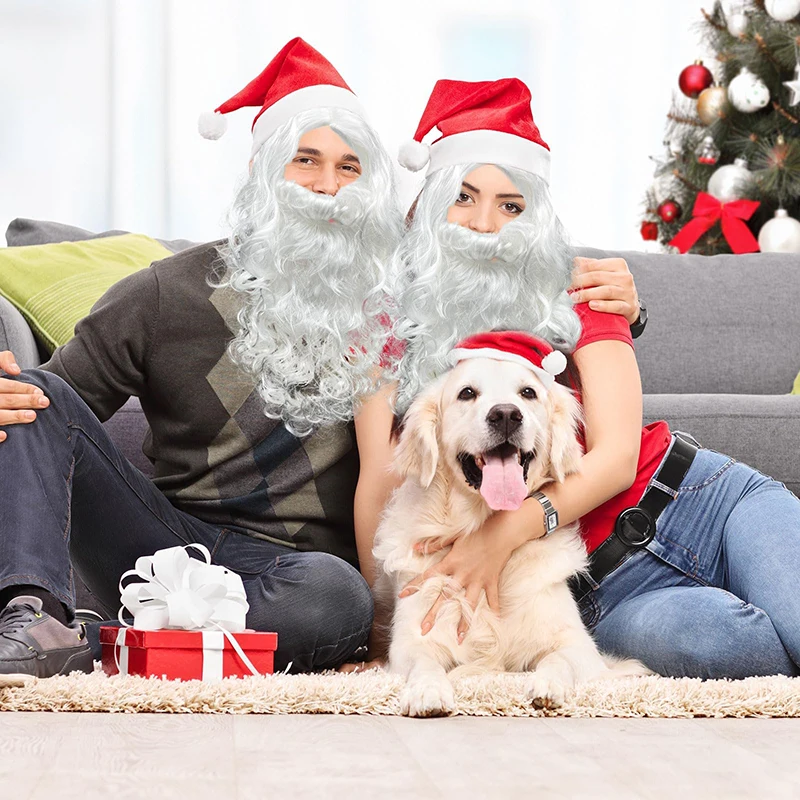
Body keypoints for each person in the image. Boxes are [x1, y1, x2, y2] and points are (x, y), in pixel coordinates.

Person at [357, 77, 800, 680]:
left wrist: (499, 537)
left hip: (702, 501)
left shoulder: (580, 289)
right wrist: (382, 636)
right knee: (719, 647)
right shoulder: (388, 326)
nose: (486, 224)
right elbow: (379, 484)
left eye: (511, 205)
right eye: (463, 197)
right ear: (430, 205)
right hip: (601, 585)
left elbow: (617, 457)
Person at [0, 38, 401, 677]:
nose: (328, 186)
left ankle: (121, 641)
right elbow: (55, 414)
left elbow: (510, 331)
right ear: (262, 173)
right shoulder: (165, 292)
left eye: (350, 168)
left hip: (294, 574)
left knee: (336, 599)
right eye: (307, 160)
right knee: (33, 401)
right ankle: (36, 619)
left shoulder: (394, 310)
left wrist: (622, 311)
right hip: (161, 546)